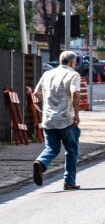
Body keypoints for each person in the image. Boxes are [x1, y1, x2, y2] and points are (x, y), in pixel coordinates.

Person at [32, 50, 82, 190]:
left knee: (52, 148)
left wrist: (50, 104)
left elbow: (36, 93)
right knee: (71, 150)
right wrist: (76, 114)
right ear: (72, 62)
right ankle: (69, 181)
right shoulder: (73, 74)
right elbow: (75, 93)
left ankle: (41, 162)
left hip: (48, 119)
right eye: (75, 63)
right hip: (66, 119)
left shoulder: (47, 74)